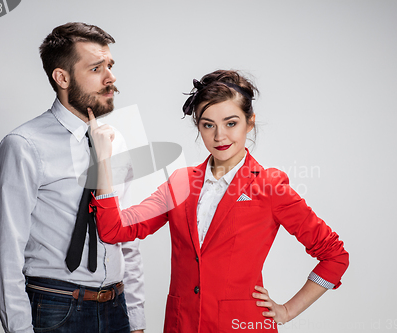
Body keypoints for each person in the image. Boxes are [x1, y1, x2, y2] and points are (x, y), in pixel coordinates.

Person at [88, 70, 349, 332]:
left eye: (231, 123)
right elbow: (114, 230)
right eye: (208, 124)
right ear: (198, 126)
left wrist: (287, 310)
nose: (219, 136)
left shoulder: (269, 185)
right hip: (183, 326)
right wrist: (103, 165)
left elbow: (335, 256)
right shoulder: (180, 183)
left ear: (250, 122)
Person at [0, 22, 145, 333]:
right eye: (96, 68)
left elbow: (126, 239)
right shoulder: (24, 145)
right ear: (62, 77)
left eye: (110, 66)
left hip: (116, 308)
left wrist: (136, 318)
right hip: (56, 307)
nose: (111, 77)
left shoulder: (119, 141)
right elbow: (5, 254)